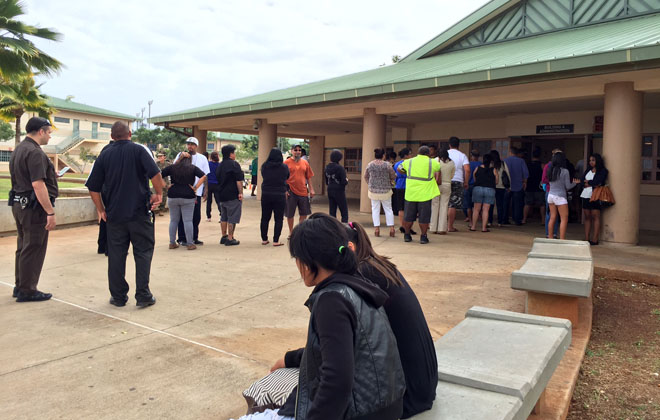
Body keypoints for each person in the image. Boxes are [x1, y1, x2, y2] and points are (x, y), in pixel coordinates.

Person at [268, 214, 405, 420]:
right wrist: (290, 358)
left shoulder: (332, 300)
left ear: (307, 262)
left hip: (363, 413)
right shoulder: (358, 284)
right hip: (388, 406)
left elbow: (337, 382)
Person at [344, 219, 437, 418]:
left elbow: (346, 344)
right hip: (424, 383)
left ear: (349, 248)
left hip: (406, 395)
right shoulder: (378, 265)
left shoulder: (362, 275)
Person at [86, 121, 164, 308]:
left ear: (112, 137)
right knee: (143, 252)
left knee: (116, 255)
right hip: (139, 213)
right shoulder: (139, 151)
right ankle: (143, 295)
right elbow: (155, 174)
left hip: (115, 216)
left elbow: (93, 187)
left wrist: (101, 209)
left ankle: (119, 297)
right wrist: (158, 193)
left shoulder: (104, 155)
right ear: (130, 134)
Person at [9, 117, 58, 302]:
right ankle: (28, 290)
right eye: (49, 132)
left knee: (23, 247)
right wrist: (50, 212)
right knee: (34, 247)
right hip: (33, 208)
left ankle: (21, 285)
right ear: (41, 131)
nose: (50, 137)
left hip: (20, 204)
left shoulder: (20, 148)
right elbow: (38, 185)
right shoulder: (35, 152)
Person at [161, 156, 207, 250]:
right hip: (188, 195)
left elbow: (159, 174)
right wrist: (195, 187)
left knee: (173, 220)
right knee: (188, 220)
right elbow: (203, 176)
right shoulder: (192, 167)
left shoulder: (172, 167)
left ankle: (172, 242)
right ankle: (190, 243)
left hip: (173, 195)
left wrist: (166, 186)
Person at [397, 146, 441, 244]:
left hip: (411, 194)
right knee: (424, 218)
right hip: (425, 195)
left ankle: (407, 235)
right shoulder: (432, 162)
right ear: (428, 153)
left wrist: (406, 172)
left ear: (418, 153)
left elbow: (399, 168)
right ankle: (423, 237)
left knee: (408, 217)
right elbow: (438, 168)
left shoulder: (410, 161)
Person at [173, 137, 209, 245]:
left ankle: (194, 237)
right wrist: (180, 157)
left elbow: (205, 175)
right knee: (182, 217)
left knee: (196, 216)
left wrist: (206, 190)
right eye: (188, 144)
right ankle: (182, 238)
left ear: (196, 146)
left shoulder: (202, 158)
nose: (190, 146)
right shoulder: (181, 156)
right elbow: (173, 168)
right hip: (183, 191)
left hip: (196, 192)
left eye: (192, 144)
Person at [364, 147, 396, 237]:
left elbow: (365, 176)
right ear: (383, 155)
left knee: (375, 209)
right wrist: (390, 181)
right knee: (388, 209)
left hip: (373, 191)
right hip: (386, 190)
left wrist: (370, 183)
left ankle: (377, 229)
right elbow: (393, 175)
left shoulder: (370, 164)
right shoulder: (387, 165)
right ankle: (392, 229)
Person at [216, 144, 244, 246]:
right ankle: (230, 238)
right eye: (234, 152)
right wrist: (240, 193)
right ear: (231, 154)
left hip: (221, 194)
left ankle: (223, 236)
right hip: (232, 194)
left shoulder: (220, 165)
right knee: (232, 216)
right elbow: (238, 180)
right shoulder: (234, 165)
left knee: (223, 216)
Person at [260, 148, 289, 246]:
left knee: (265, 217)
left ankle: (264, 239)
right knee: (278, 218)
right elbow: (287, 176)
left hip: (266, 193)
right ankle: (276, 240)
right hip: (279, 194)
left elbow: (263, 175)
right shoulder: (284, 167)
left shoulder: (264, 166)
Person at [284, 144, 314, 238]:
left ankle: (299, 231)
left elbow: (309, 177)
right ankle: (291, 232)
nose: (298, 152)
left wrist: (311, 189)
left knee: (304, 213)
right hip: (291, 191)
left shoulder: (305, 163)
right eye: (295, 150)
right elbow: (282, 178)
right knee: (290, 214)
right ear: (291, 151)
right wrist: (284, 190)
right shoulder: (286, 163)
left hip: (303, 191)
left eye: (299, 150)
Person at [579, 153, 609, 245]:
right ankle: (587, 238)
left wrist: (589, 183)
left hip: (595, 195)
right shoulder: (588, 169)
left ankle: (595, 239)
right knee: (587, 217)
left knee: (595, 216)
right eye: (590, 160)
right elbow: (581, 180)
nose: (591, 162)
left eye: (593, 160)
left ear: (597, 161)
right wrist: (587, 183)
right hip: (585, 195)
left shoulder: (603, 171)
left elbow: (598, 182)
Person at [547, 152, 576, 240]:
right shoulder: (565, 171)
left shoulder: (550, 170)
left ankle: (550, 237)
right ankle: (562, 239)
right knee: (564, 218)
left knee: (552, 217)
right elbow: (568, 186)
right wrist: (575, 183)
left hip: (550, 195)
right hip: (560, 196)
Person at [470, 153, 498, 232]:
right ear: (491, 161)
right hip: (489, 190)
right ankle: (484, 228)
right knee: (486, 210)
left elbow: (475, 179)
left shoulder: (477, 168)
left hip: (478, 188)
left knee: (476, 209)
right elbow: (496, 181)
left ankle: (473, 227)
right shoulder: (494, 170)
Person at [446, 137, 470, 232]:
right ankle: (450, 226)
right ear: (458, 145)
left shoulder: (444, 154)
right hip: (457, 181)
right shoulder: (462, 155)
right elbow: (467, 170)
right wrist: (466, 182)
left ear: (449, 144)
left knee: (443, 203)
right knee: (452, 204)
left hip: (444, 180)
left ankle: (440, 225)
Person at [430, 149, 455, 234]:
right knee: (444, 206)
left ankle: (433, 228)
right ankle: (442, 228)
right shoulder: (452, 163)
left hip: (436, 185)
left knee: (434, 205)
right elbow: (452, 175)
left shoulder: (434, 161)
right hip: (447, 185)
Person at [393, 148, 417, 235]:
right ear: (406, 155)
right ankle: (408, 227)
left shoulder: (396, 164)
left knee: (401, 208)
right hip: (408, 186)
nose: (411, 155)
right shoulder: (410, 164)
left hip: (399, 186)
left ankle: (403, 226)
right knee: (409, 208)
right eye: (410, 154)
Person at [503, 147, 529, 225]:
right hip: (518, 185)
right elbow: (526, 174)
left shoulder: (505, 161)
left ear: (510, 152)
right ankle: (517, 220)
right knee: (518, 204)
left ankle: (504, 219)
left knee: (506, 203)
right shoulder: (521, 161)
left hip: (507, 186)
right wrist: (525, 182)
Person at [324, 149, 348, 223]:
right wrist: (347, 180)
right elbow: (343, 181)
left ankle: (332, 226)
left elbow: (326, 181)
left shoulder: (327, 167)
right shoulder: (340, 168)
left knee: (332, 210)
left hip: (330, 189)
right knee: (343, 210)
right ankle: (344, 226)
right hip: (339, 190)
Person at [542, 149, 562, 238]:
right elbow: (544, 180)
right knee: (550, 213)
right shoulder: (548, 166)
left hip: (554, 191)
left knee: (554, 214)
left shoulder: (561, 167)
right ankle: (549, 233)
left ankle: (552, 233)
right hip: (550, 191)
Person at [488, 149, 510, 227]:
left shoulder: (490, 164)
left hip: (491, 187)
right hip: (501, 187)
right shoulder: (503, 164)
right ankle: (500, 222)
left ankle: (489, 221)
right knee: (500, 205)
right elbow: (507, 174)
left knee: (490, 204)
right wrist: (508, 186)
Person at [523, 147, 545, 225]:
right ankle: (543, 220)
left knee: (527, 203)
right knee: (542, 204)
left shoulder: (527, 164)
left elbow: (525, 175)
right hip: (539, 187)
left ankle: (524, 219)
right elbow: (545, 175)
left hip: (529, 186)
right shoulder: (542, 165)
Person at [463, 150, 481, 223]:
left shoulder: (468, 164)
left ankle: (470, 220)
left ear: (471, 155)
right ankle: (478, 219)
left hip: (468, 185)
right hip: (477, 186)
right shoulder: (481, 164)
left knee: (468, 205)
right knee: (477, 205)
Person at [206, 151, 222, 222]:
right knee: (218, 200)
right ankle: (222, 215)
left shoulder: (208, 164)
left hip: (209, 184)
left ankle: (208, 216)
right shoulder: (220, 165)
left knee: (209, 201)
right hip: (217, 184)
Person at [155, 152, 170, 217]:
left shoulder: (168, 164)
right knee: (158, 194)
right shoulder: (156, 164)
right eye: (158, 157)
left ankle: (162, 208)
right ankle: (159, 208)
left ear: (164, 157)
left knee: (164, 195)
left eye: (161, 156)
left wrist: (169, 182)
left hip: (166, 181)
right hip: (158, 181)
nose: (160, 158)